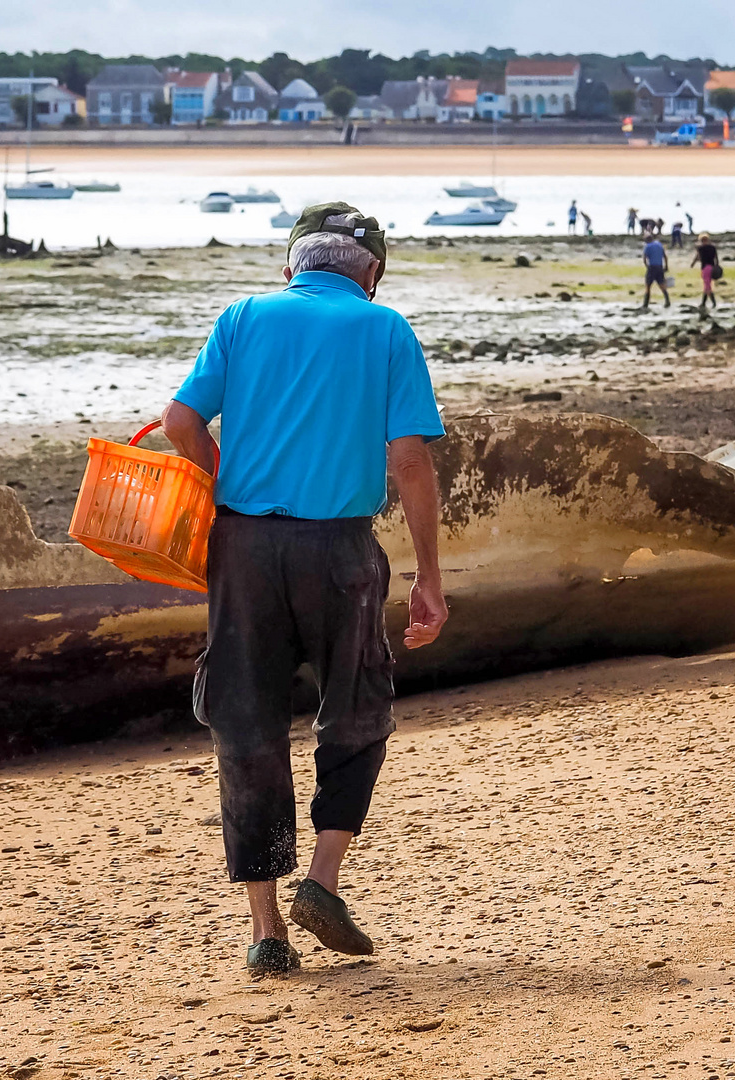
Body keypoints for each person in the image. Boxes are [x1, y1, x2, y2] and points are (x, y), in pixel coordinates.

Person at [162, 202, 448, 976]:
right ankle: (320, 881)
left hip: (243, 548)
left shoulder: (243, 316)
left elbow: (178, 424)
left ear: (291, 266)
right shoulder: (385, 330)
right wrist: (428, 573)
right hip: (340, 551)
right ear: (374, 274)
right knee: (357, 707)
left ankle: (266, 933)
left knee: (245, 722)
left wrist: (228, 488)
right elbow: (411, 461)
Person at [690, 231, 720, 309]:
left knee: (707, 286)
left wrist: (693, 263)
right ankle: (704, 303)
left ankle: (712, 302)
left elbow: (698, 257)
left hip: (705, 268)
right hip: (712, 267)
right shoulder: (713, 247)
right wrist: (717, 266)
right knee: (707, 286)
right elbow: (716, 258)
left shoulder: (700, 248)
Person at [642, 234, 670, 309]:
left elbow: (645, 259)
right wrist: (666, 266)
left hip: (652, 267)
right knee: (662, 284)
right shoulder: (659, 245)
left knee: (648, 285)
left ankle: (645, 303)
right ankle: (667, 301)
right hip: (659, 267)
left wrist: (647, 266)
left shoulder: (647, 247)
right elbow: (665, 256)